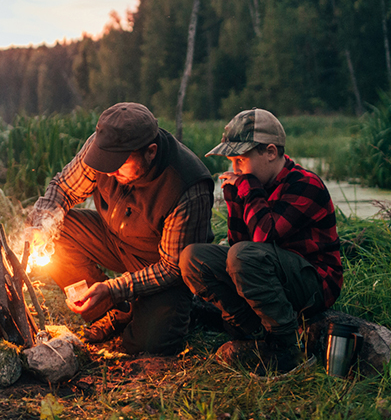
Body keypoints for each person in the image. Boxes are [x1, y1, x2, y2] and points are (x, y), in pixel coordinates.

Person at [27, 102, 214, 355]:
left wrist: (114, 288)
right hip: (114, 240)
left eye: (120, 164)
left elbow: (172, 268)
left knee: (148, 345)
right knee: (58, 231)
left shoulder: (186, 185)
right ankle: (113, 311)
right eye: (106, 162)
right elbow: (63, 187)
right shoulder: (104, 150)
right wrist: (42, 225)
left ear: (150, 151)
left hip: (161, 264)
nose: (110, 170)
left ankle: (190, 310)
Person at [179, 108, 342, 375]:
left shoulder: (305, 183)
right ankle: (250, 331)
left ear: (270, 152)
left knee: (245, 256)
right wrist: (234, 198)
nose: (235, 169)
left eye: (241, 160)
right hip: (272, 273)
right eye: (232, 161)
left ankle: (287, 348)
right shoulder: (253, 184)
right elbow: (238, 245)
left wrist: (246, 188)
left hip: (314, 283)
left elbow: (263, 238)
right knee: (193, 258)